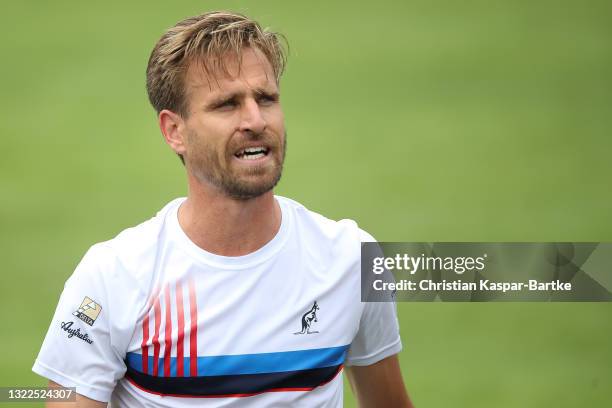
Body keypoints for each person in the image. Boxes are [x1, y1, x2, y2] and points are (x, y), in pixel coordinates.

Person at [33, 11, 414, 408]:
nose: (255, 120)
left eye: (266, 98)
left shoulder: (351, 260)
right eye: (226, 105)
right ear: (174, 131)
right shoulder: (112, 278)